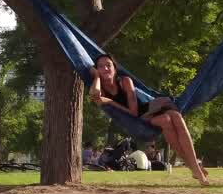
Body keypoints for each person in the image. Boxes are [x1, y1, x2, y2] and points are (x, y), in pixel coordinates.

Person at [89, 53, 209, 186]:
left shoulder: (125, 81)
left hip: (150, 108)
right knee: (167, 121)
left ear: (115, 69)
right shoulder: (101, 86)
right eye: (101, 66)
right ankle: (194, 168)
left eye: (108, 65)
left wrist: (110, 101)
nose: (105, 69)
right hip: (142, 119)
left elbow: (134, 111)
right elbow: (94, 93)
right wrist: (96, 76)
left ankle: (194, 168)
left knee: (175, 117)